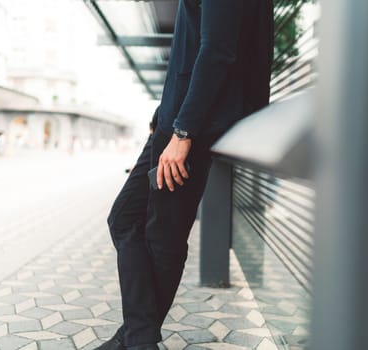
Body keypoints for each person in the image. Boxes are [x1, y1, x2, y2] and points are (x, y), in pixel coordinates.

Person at [99, 1, 274, 349]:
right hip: (175, 120)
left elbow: (218, 50)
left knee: (163, 237)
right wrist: (165, 114)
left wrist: (183, 131)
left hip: (191, 126)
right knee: (124, 217)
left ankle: (137, 340)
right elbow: (196, 45)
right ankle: (136, 337)